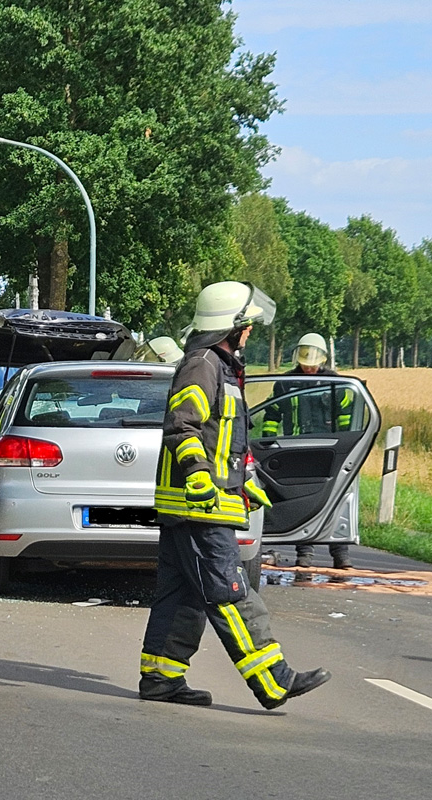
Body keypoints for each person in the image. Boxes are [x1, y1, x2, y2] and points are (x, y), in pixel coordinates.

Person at [138, 281, 331, 709]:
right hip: (199, 506)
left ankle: (160, 679)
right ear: (232, 326)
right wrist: (199, 476)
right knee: (230, 591)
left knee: (182, 595)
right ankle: (273, 680)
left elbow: (223, 437)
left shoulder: (221, 367)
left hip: (199, 505)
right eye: (247, 325)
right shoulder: (203, 365)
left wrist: (244, 480)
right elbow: (183, 425)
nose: (250, 333)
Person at [263, 333, 355, 569]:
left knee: (336, 498)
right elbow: (272, 415)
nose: (308, 368)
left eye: (312, 363)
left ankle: (341, 555)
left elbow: (346, 417)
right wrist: (266, 444)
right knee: (302, 501)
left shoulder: (335, 383)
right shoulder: (285, 382)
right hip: (297, 450)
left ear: (322, 359)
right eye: (305, 362)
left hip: (330, 451)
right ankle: (305, 554)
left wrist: (349, 446)